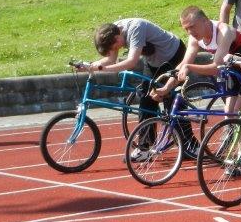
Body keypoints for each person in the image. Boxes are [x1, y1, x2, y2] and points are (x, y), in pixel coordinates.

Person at [80, 18, 189, 150]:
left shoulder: (136, 29)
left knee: (171, 99)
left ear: (117, 37)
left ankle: (189, 144)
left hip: (173, 55)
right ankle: (145, 147)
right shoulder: (112, 32)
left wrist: (104, 69)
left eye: (115, 47)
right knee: (146, 97)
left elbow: (131, 62)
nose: (117, 49)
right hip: (154, 61)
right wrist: (90, 66)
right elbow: (111, 59)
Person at [176, 6, 241, 114]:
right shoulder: (194, 38)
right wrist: (165, 88)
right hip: (234, 69)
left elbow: (216, 68)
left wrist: (189, 67)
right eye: (186, 29)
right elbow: (184, 63)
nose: (190, 32)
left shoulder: (224, 31)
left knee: (235, 112)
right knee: (229, 113)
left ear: (205, 21)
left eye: (192, 26)